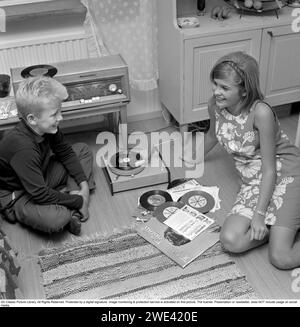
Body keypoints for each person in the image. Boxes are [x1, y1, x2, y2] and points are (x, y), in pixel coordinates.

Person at [201, 51, 300, 270]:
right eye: (215, 84)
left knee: (280, 258)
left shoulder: (261, 112)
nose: (216, 92)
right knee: (230, 241)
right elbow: (211, 135)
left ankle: (281, 223)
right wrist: (186, 157)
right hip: (254, 181)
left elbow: (270, 170)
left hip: (285, 176)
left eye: (225, 88)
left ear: (245, 90)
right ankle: (281, 226)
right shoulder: (215, 106)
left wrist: (259, 216)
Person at [0, 76, 95, 235]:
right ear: (32, 119)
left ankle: (72, 194)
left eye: (60, 111)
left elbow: (65, 152)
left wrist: (83, 186)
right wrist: (79, 202)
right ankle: (69, 212)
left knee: (82, 150)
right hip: (19, 192)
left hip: (40, 174)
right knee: (55, 219)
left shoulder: (48, 128)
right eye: (54, 114)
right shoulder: (22, 148)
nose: (60, 118)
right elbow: (40, 194)